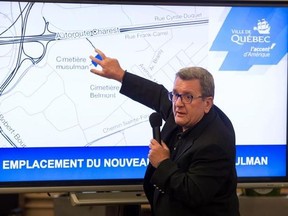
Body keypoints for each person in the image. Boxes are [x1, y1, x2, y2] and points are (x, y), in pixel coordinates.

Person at [89, 49, 240, 216]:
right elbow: (157, 94)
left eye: (188, 96)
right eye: (175, 94)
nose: (178, 103)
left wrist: (162, 163)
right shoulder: (183, 111)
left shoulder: (215, 143)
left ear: (207, 103)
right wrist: (121, 75)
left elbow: (193, 194)